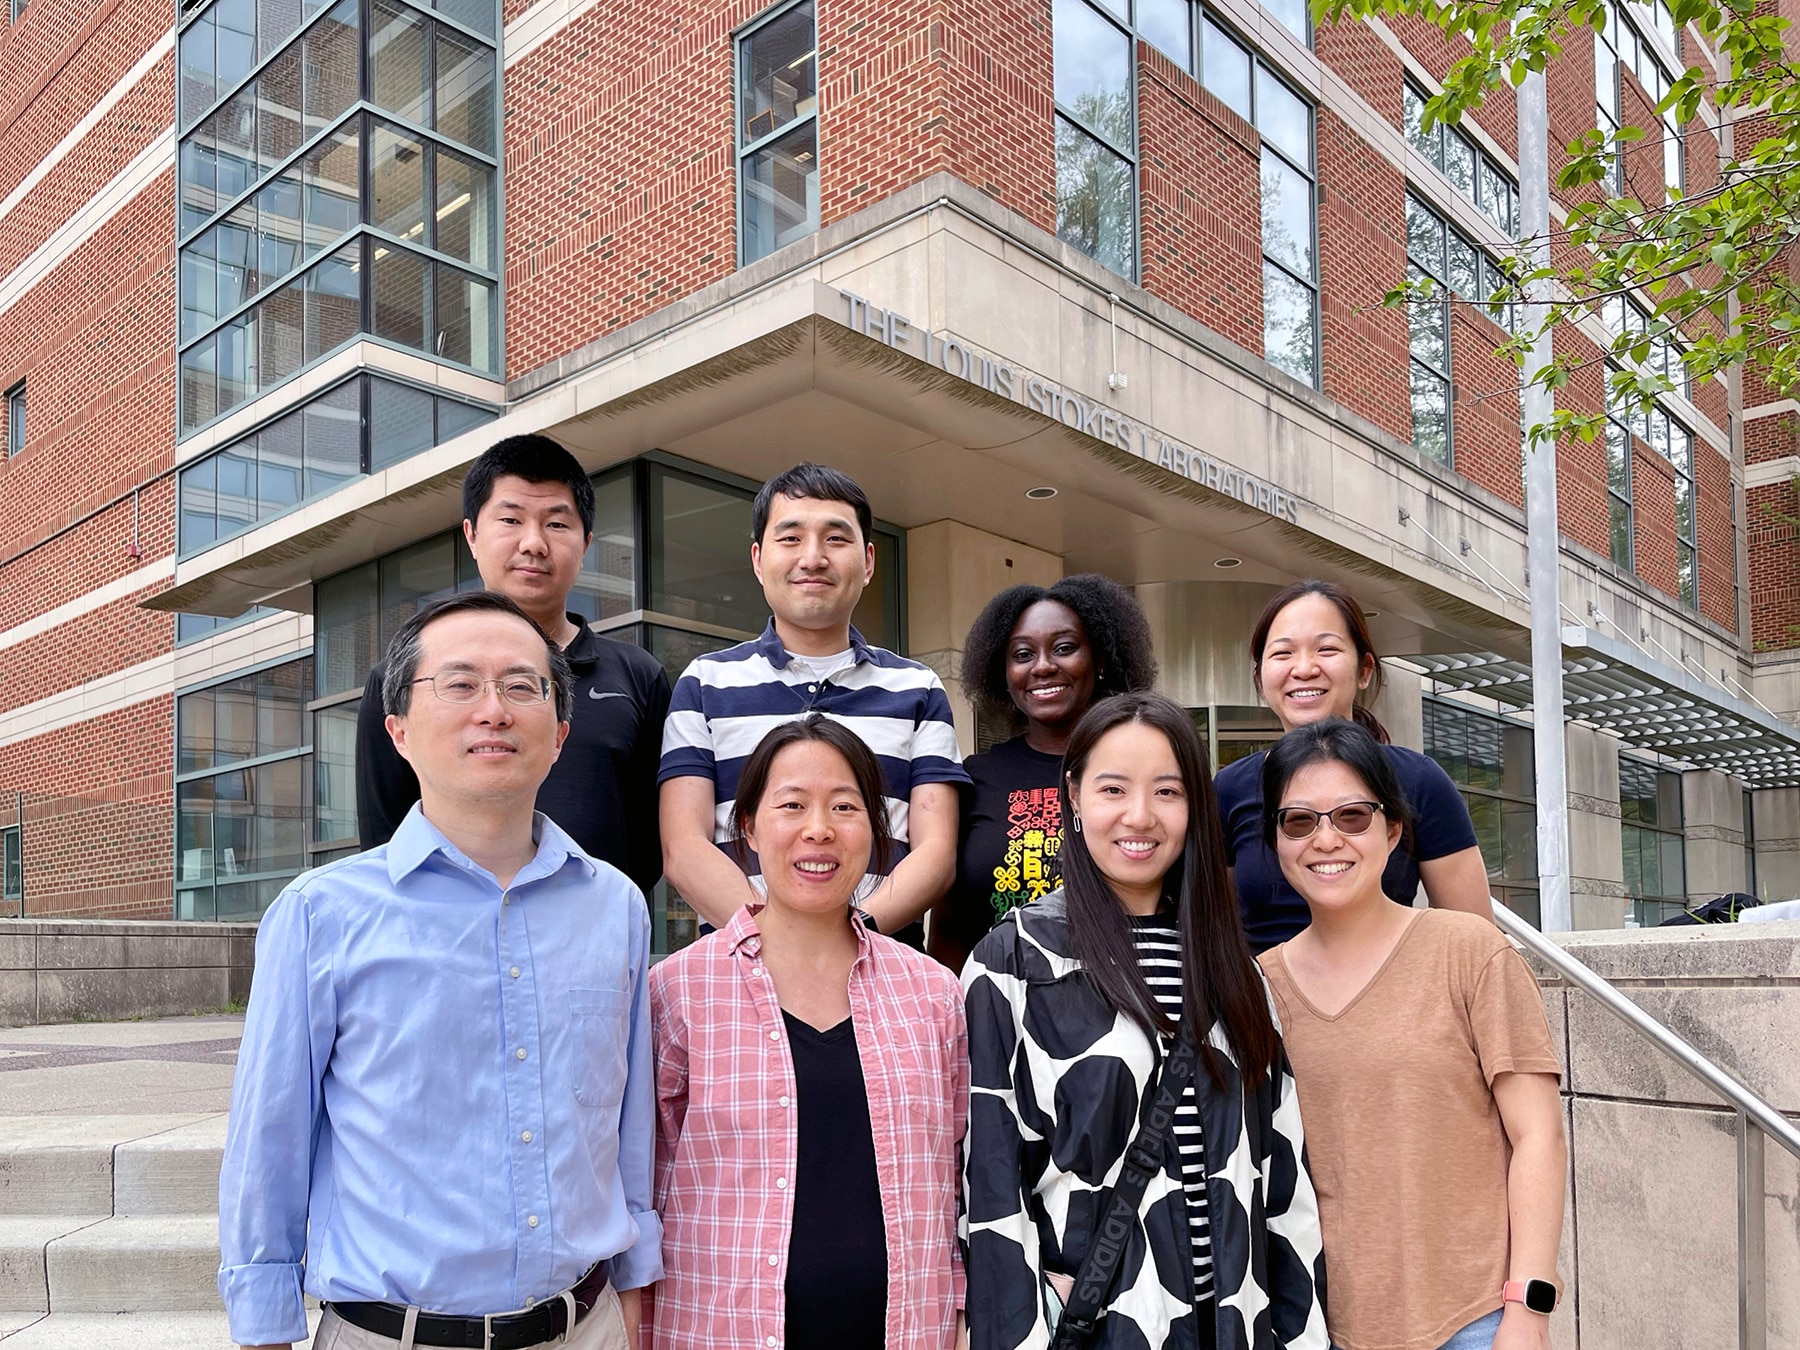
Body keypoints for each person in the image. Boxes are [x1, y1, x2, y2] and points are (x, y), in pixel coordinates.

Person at [219, 592, 661, 1350]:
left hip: (585, 1328)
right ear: (398, 730)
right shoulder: (321, 915)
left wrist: (635, 1286)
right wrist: (264, 1328)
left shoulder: (613, 905)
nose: (493, 709)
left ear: (559, 733)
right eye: (458, 685)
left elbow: (629, 1127)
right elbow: (269, 1143)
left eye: (523, 686)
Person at [962, 692, 1326, 1350]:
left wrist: (1303, 1339)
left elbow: (1284, 1187)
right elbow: (989, 1186)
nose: (1140, 816)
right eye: (1113, 789)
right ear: (1073, 796)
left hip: (1233, 1327)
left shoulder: (1234, 970)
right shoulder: (1014, 962)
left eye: (1167, 792)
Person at [646, 715, 967, 1350]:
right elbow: (644, 1182)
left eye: (844, 807)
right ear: (747, 827)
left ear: (875, 832)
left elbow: (963, 1177)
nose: (818, 829)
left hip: (908, 1330)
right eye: (791, 804)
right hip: (722, 1331)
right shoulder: (678, 991)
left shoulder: (934, 994)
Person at [1256, 718, 1566, 1350]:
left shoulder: (1468, 951)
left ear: (1393, 831)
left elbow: (1538, 1135)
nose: (1326, 839)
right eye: (1299, 821)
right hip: (1319, 1326)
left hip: (1473, 1320)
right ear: (1276, 841)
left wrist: (1528, 1309)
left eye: (1352, 816)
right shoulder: (1257, 988)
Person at [658, 462, 967, 945]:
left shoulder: (918, 688)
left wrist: (851, 938)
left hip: (883, 970)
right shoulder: (704, 684)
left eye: (835, 539)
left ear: (868, 562)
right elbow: (683, 847)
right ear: (759, 559)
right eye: (790, 538)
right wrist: (774, 941)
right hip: (740, 971)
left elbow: (936, 851)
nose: (813, 557)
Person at [357, 434, 670, 897]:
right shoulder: (406, 674)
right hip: (444, 937)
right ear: (472, 535)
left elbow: (650, 842)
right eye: (510, 519)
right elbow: (387, 831)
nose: (534, 543)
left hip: (592, 935)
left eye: (557, 525)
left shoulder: (638, 676)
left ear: (585, 543)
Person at [1214, 579, 1490, 952]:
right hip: (1264, 1003)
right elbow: (1214, 930)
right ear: (1260, 677)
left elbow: (1476, 942)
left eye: (1326, 649)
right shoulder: (1228, 789)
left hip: (1391, 1000)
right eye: (1282, 654)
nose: (1304, 668)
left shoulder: (1418, 781)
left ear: (1364, 670)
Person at [929, 573, 1157, 972]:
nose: (1043, 667)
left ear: (1101, 659)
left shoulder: (1144, 770)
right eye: (1022, 655)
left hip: (1127, 996)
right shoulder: (975, 778)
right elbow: (950, 932)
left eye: (1065, 648)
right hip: (1001, 1007)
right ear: (1003, 673)